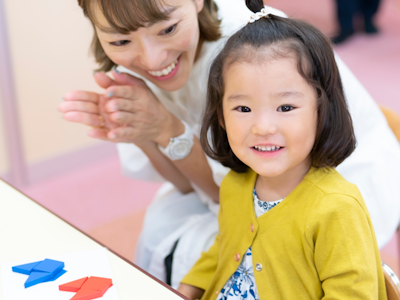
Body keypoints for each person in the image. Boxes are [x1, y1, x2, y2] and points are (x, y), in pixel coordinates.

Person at [58, 0, 400, 289]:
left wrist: (167, 129)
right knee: (164, 223)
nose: (151, 59)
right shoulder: (133, 61)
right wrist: (141, 131)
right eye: (119, 41)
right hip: (232, 183)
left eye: (167, 29)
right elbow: (193, 187)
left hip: (312, 176)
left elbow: (245, 190)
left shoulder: (247, 57)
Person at [178, 2, 387, 299]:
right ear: (221, 117)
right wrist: (185, 290)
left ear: (322, 110)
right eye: (243, 108)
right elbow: (224, 249)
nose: (262, 126)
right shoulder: (235, 186)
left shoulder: (337, 209)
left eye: (286, 107)